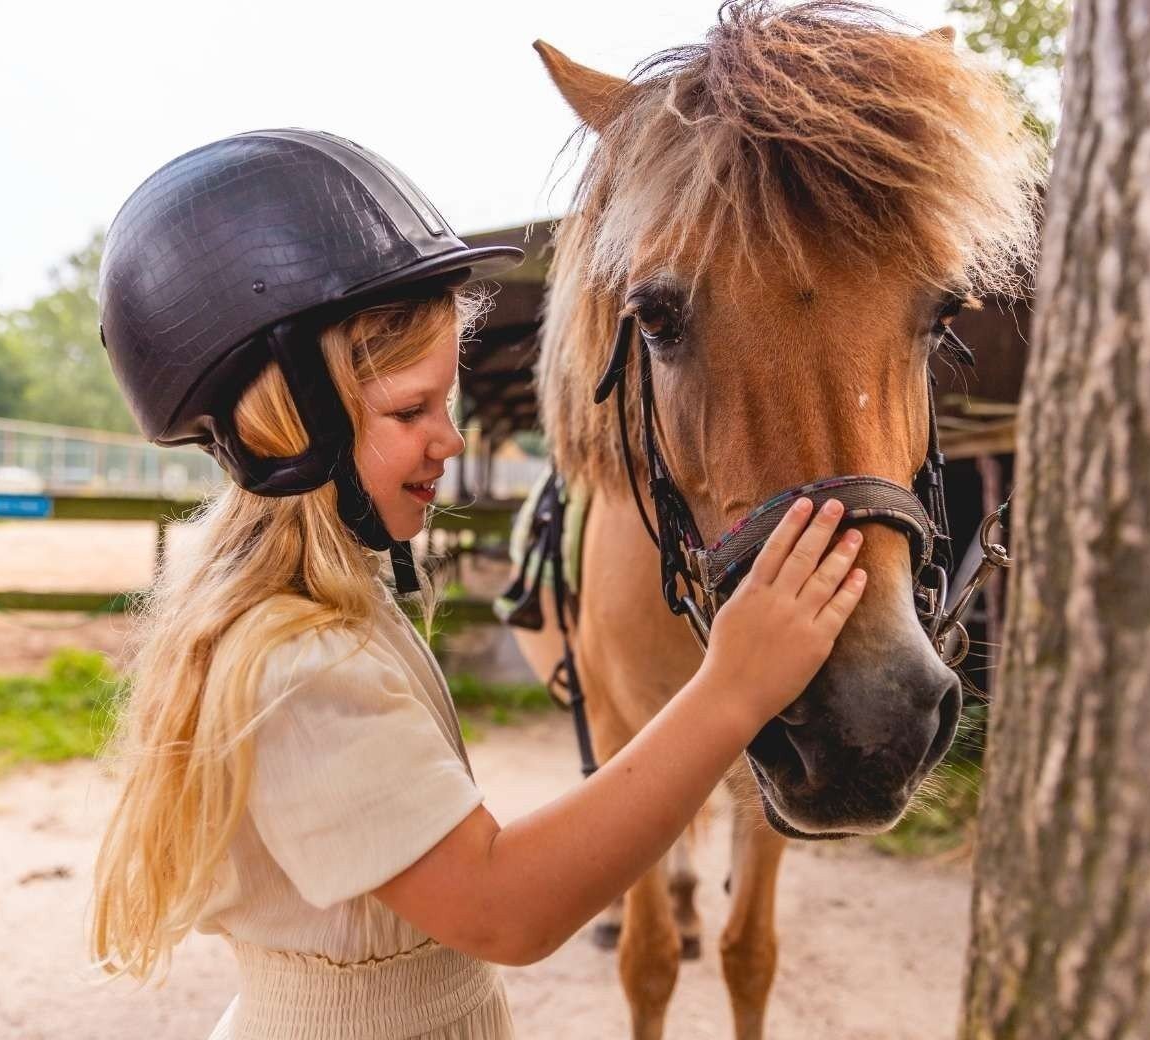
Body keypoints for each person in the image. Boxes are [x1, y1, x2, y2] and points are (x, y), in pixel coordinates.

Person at [87, 128, 869, 1040]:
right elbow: (503, 908)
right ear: (287, 426)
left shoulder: (342, 612)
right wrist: (733, 689)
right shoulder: (295, 664)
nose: (450, 441)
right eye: (411, 410)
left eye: (447, 404)